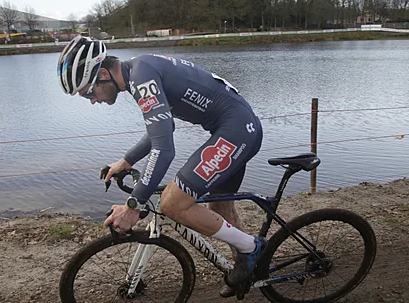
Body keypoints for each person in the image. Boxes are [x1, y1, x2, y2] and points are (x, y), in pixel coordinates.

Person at [57, 35, 265, 296]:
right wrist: (127, 160)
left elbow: (164, 149)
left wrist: (133, 205)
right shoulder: (137, 72)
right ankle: (249, 265)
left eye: (89, 91)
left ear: (104, 74)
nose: (92, 100)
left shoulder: (142, 77)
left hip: (236, 131)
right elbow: (163, 128)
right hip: (237, 127)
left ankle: (252, 247)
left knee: (172, 204)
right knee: (219, 207)